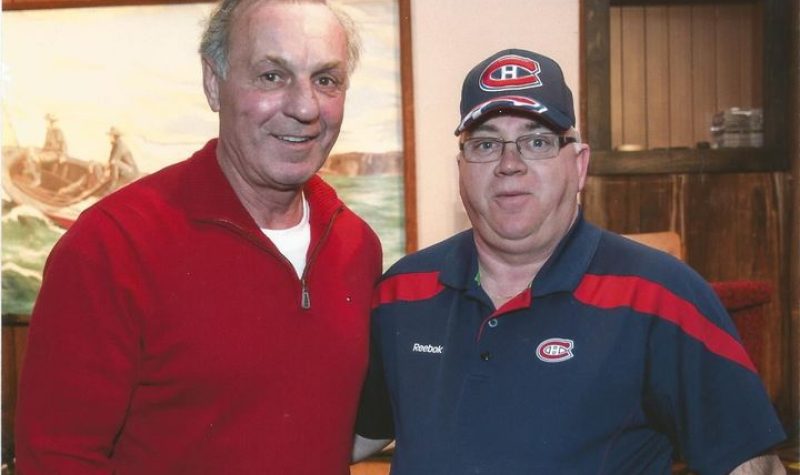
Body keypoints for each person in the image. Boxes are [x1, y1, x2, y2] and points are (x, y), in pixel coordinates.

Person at [353, 49, 786, 474]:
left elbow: (752, 465)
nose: (509, 164)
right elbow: (356, 433)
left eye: (537, 141)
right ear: (461, 168)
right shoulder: (400, 292)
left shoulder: (661, 296)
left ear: (578, 166)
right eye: (485, 143)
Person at [15, 1, 382, 474]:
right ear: (214, 82)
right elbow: (55, 459)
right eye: (272, 76)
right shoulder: (111, 245)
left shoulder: (357, 245)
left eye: (326, 80)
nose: (305, 106)